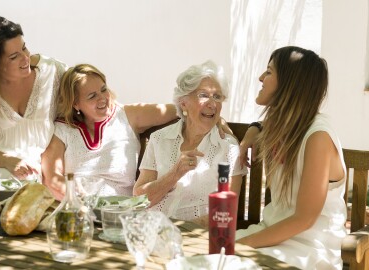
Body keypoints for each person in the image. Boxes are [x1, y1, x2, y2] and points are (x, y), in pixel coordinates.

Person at [235, 46, 346, 269]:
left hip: (307, 248)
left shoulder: (318, 138)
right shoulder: (284, 127)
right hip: (271, 235)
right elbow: (266, 124)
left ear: (289, 83)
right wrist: (254, 128)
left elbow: (304, 219)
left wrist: (238, 246)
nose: (260, 78)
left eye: (268, 71)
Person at [40, 63, 179, 201]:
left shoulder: (128, 115)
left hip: (120, 212)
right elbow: (52, 178)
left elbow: (178, 109)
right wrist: (79, 204)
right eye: (92, 96)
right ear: (75, 103)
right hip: (77, 209)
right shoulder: (62, 128)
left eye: (103, 89)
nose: (102, 98)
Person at [133, 60, 247, 226]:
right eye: (203, 95)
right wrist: (174, 174)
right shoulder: (160, 139)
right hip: (150, 229)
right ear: (183, 102)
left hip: (193, 237)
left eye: (217, 97)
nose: (212, 103)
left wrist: (178, 231)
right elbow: (139, 199)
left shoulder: (227, 148)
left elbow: (225, 213)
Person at [0, 16, 67, 183]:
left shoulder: (52, 72)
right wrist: (9, 162)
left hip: (42, 168)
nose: (25, 58)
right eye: (14, 56)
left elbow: (86, 97)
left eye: (24, 48)